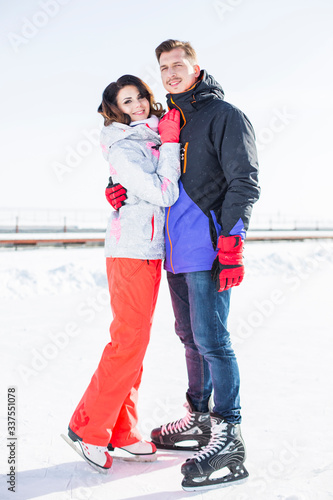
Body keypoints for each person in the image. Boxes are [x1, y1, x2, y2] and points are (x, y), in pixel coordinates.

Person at [106, 40, 260, 491]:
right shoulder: (166, 121)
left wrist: (233, 240)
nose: (170, 73)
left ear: (196, 68)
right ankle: (198, 418)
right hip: (172, 251)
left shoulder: (224, 115)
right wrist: (118, 189)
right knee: (190, 337)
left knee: (214, 339)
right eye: (163, 67)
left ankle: (228, 434)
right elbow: (147, 170)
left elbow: (244, 181)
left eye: (178, 64)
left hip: (209, 248)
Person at [64, 75, 181, 473]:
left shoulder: (147, 136)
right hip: (130, 251)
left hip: (150, 250)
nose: (138, 106)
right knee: (127, 340)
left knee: (137, 343)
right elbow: (164, 193)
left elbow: (152, 189)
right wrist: (168, 144)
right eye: (126, 101)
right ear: (115, 109)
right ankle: (88, 428)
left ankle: (122, 430)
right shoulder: (123, 145)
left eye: (141, 98)